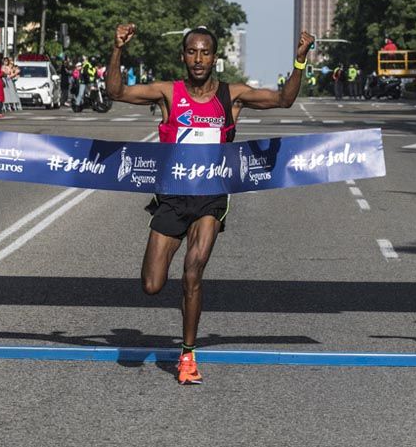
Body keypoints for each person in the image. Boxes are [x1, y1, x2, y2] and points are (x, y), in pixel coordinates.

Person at [105, 23, 314, 384]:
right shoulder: (169, 93)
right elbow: (117, 91)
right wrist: (118, 49)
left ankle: (187, 355)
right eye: (192, 52)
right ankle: (184, 329)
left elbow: (283, 100)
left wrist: (298, 63)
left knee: (193, 270)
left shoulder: (231, 96)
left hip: (211, 197)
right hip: (172, 196)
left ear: (214, 58)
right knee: (152, 285)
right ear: (183, 56)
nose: (198, 58)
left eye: (205, 52)